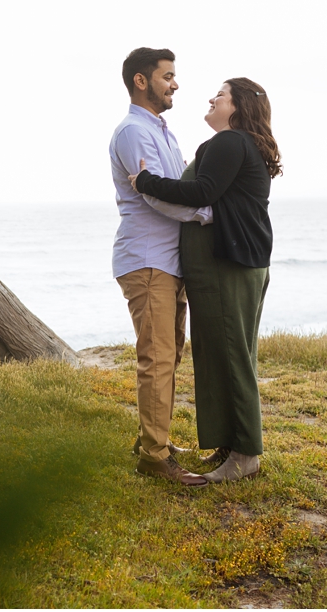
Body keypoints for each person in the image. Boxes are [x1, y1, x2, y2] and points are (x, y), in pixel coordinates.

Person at [130, 77, 281, 483]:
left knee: (231, 357)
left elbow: (200, 192)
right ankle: (230, 444)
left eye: (221, 94)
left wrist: (144, 182)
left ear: (238, 107)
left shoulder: (231, 142)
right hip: (230, 264)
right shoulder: (236, 143)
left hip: (227, 265)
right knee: (222, 355)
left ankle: (246, 454)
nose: (212, 98)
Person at [109, 48, 213, 487]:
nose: (175, 84)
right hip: (148, 259)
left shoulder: (164, 133)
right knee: (157, 357)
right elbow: (156, 195)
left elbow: (177, 186)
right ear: (141, 81)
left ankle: (155, 440)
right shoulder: (133, 131)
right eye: (167, 76)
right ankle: (154, 456)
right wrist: (207, 215)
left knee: (169, 353)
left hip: (167, 263)